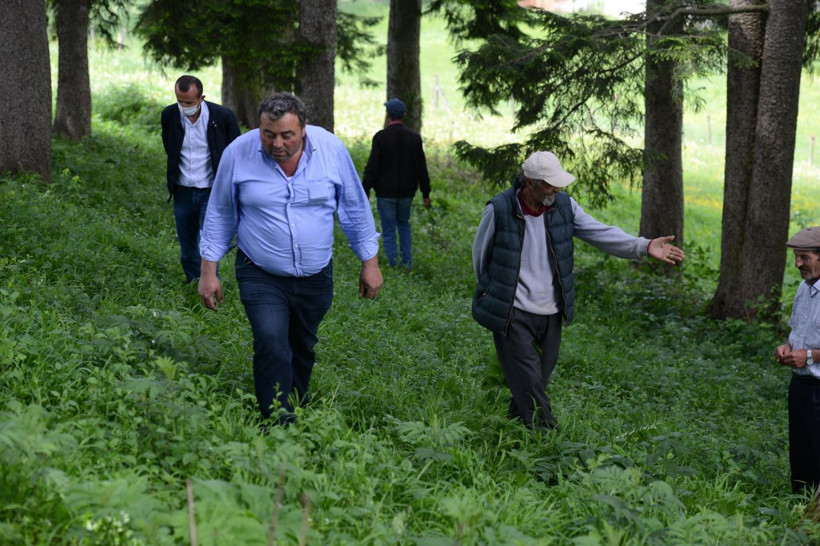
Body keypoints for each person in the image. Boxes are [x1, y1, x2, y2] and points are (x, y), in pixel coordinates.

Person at [198, 92, 383, 425]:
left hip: (316, 275)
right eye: (268, 134)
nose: (277, 143)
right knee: (271, 341)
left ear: (304, 128)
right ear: (259, 128)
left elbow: (354, 207)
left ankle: (296, 401)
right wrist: (208, 272)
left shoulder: (331, 151)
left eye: (287, 135)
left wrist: (369, 263)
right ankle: (277, 419)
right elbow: (220, 213)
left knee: (302, 343)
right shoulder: (238, 154)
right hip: (260, 272)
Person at [472, 151, 685, 431]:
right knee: (530, 380)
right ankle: (548, 441)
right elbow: (480, 254)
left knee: (536, 378)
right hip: (514, 312)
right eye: (549, 184)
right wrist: (493, 292)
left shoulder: (564, 207)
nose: (556, 189)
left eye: (558, 184)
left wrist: (643, 245)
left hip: (551, 312)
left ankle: (513, 424)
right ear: (530, 182)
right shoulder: (499, 209)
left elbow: (600, 233)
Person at [161, 75, 241, 283]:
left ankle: (210, 285)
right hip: (182, 192)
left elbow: (236, 152)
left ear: (201, 98)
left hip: (212, 192)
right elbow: (170, 148)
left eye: (188, 102)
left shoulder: (222, 117)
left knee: (208, 244)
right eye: (179, 101)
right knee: (188, 248)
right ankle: (193, 284)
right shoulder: (169, 115)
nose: (183, 106)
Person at [775, 226, 820, 495]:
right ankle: (800, 507)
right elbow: (797, 333)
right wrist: (787, 347)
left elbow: (810, 351)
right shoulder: (804, 289)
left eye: (804, 257)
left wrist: (811, 356)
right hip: (800, 387)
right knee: (801, 452)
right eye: (795, 257)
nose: (797, 264)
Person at [362, 98, 431, 269]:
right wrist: (426, 193)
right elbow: (421, 167)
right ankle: (407, 263)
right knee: (404, 225)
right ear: (404, 116)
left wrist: (365, 189)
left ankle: (393, 264)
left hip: (385, 193)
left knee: (388, 229)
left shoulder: (381, 137)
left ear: (388, 115)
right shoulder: (414, 138)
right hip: (407, 192)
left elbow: (373, 166)